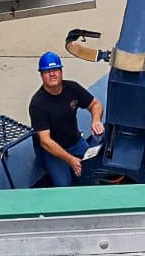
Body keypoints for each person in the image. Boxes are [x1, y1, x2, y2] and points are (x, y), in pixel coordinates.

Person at [28, 51, 104, 187]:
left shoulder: (72, 88)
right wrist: (70, 160)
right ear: (41, 75)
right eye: (47, 71)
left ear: (61, 71)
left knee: (94, 169)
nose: (52, 74)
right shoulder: (37, 104)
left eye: (55, 70)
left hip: (75, 142)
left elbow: (95, 104)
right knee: (64, 185)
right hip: (53, 151)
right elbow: (45, 141)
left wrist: (96, 120)